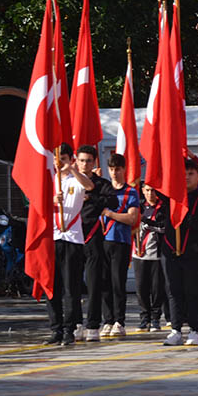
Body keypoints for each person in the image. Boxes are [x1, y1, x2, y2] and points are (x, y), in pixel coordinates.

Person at [160, 158, 198, 346]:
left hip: (194, 251)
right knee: (173, 290)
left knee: (192, 290)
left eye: (191, 173)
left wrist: (188, 219)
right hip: (170, 250)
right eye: (183, 173)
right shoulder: (172, 196)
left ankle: (193, 329)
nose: (186, 177)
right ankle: (175, 329)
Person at [44, 143, 95, 346]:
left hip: (72, 238)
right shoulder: (49, 179)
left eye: (63, 157)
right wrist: (51, 200)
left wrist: (72, 167)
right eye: (57, 158)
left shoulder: (77, 179)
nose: (59, 161)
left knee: (70, 288)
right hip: (52, 238)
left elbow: (90, 186)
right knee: (52, 287)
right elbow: (34, 203)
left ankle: (69, 329)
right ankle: (55, 328)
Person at [73, 145, 117, 342]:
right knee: (72, 283)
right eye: (81, 160)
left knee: (94, 283)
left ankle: (93, 324)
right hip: (71, 236)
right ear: (76, 161)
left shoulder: (101, 183)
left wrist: (92, 198)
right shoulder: (66, 181)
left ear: (94, 162)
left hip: (92, 236)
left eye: (88, 161)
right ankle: (75, 323)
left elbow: (113, 202)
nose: (85, 164)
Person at [99, 153, 140, 336]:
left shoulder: (131, 192)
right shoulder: (103, 190)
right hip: (102, 241)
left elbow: (132, 218)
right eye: (112, 169)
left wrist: (110, 214)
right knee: (104, 282)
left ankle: (119, 320)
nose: (114, 173)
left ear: (124, 169)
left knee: (118, 282)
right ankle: (107, 320)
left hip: (121, 241)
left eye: (118, 169)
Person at [134, 184, 167, 333]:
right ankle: (144, 318)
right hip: (139, 253)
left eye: (153, 190)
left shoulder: (163, 207)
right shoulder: (139, 206)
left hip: (156, 254)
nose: (150, 193)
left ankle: (155, 318)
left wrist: (149, 224)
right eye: (147, 190)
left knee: (157, 288)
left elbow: (164, 227)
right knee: (141, 288)